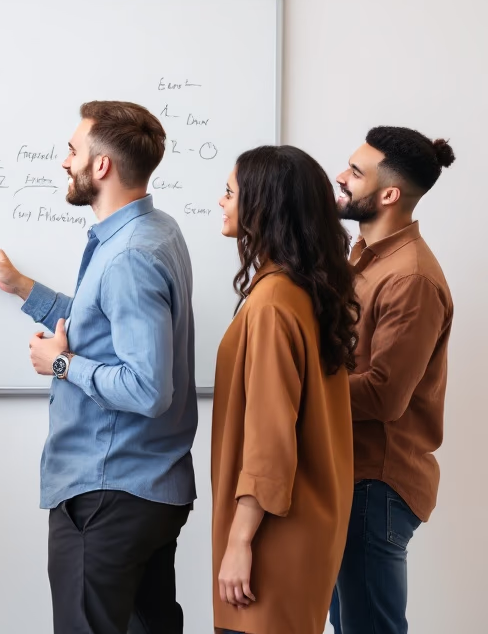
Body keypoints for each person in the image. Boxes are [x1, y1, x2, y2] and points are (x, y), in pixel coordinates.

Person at [0, 100, 197, 634]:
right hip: (147, 487)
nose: (64, 161)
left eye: (72, 150)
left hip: (108, 493)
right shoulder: (154, 232)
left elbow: (147, 389)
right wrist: (23, 287)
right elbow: (105, 323)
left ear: (102, 165)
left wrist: (62, 364)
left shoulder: (127, 256)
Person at [211, 145, 357, 634]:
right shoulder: (303, 290)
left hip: (273, 537)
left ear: (263, 205)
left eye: (230, 192)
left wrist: (239, 542)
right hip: (305, 526)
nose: (221, 201)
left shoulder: (273, 303)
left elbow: (270, 442)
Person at [329, 128, 455, 634]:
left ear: (389, 195)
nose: (341, 176)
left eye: (356, 172)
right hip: (353, 478)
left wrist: (299, 387)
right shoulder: (363, 257)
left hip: (375, 485)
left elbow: (384, 395)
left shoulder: (410, 278)